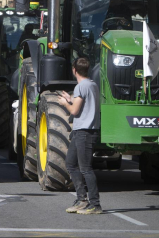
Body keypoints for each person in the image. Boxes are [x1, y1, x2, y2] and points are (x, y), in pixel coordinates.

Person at [58, 57, 102, 215]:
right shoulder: (92, 84)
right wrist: (71, 99)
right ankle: (81, 200)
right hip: (82, 131)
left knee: (85, 169)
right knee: (70, 163)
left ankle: (95, 204)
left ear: (74, 70)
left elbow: (74, 111)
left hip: (85, 131)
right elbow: (84, 104)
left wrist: (65, 103)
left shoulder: (80, 86)